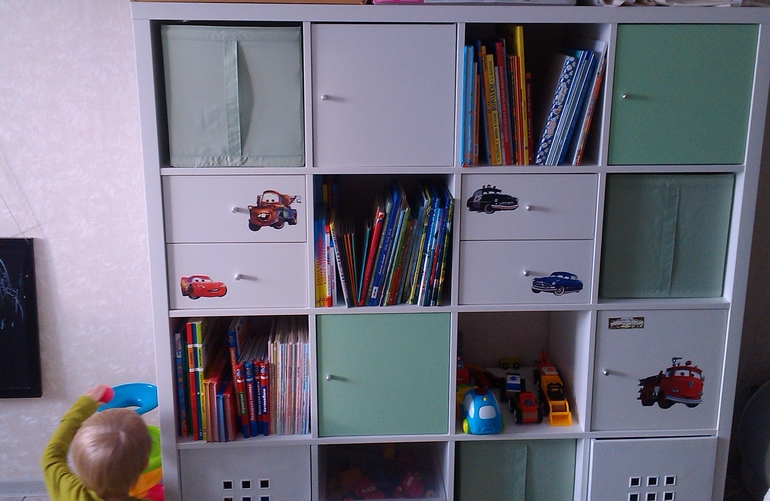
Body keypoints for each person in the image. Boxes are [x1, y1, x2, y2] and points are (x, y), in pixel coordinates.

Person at [41, 384, 152, 501]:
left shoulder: (69, 491)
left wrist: (83, 406)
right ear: (144, 465)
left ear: (78, 464)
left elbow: (51, 456)